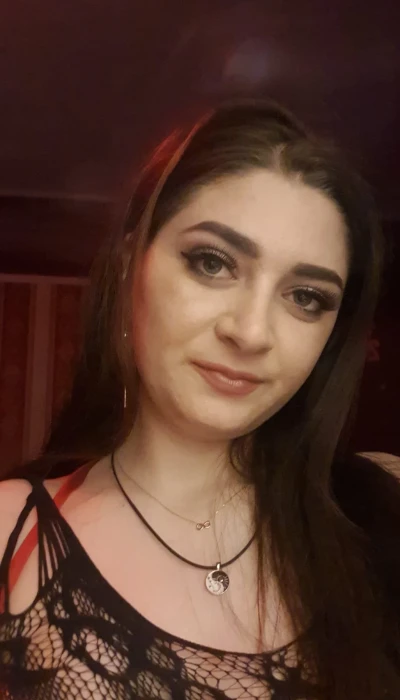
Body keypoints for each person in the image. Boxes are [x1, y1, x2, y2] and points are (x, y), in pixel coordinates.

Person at [0, 99, 399, 700]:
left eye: (306, 297)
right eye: (212, 263)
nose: (252, 332)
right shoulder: (11, 531)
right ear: (131, 266)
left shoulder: (378, 522)